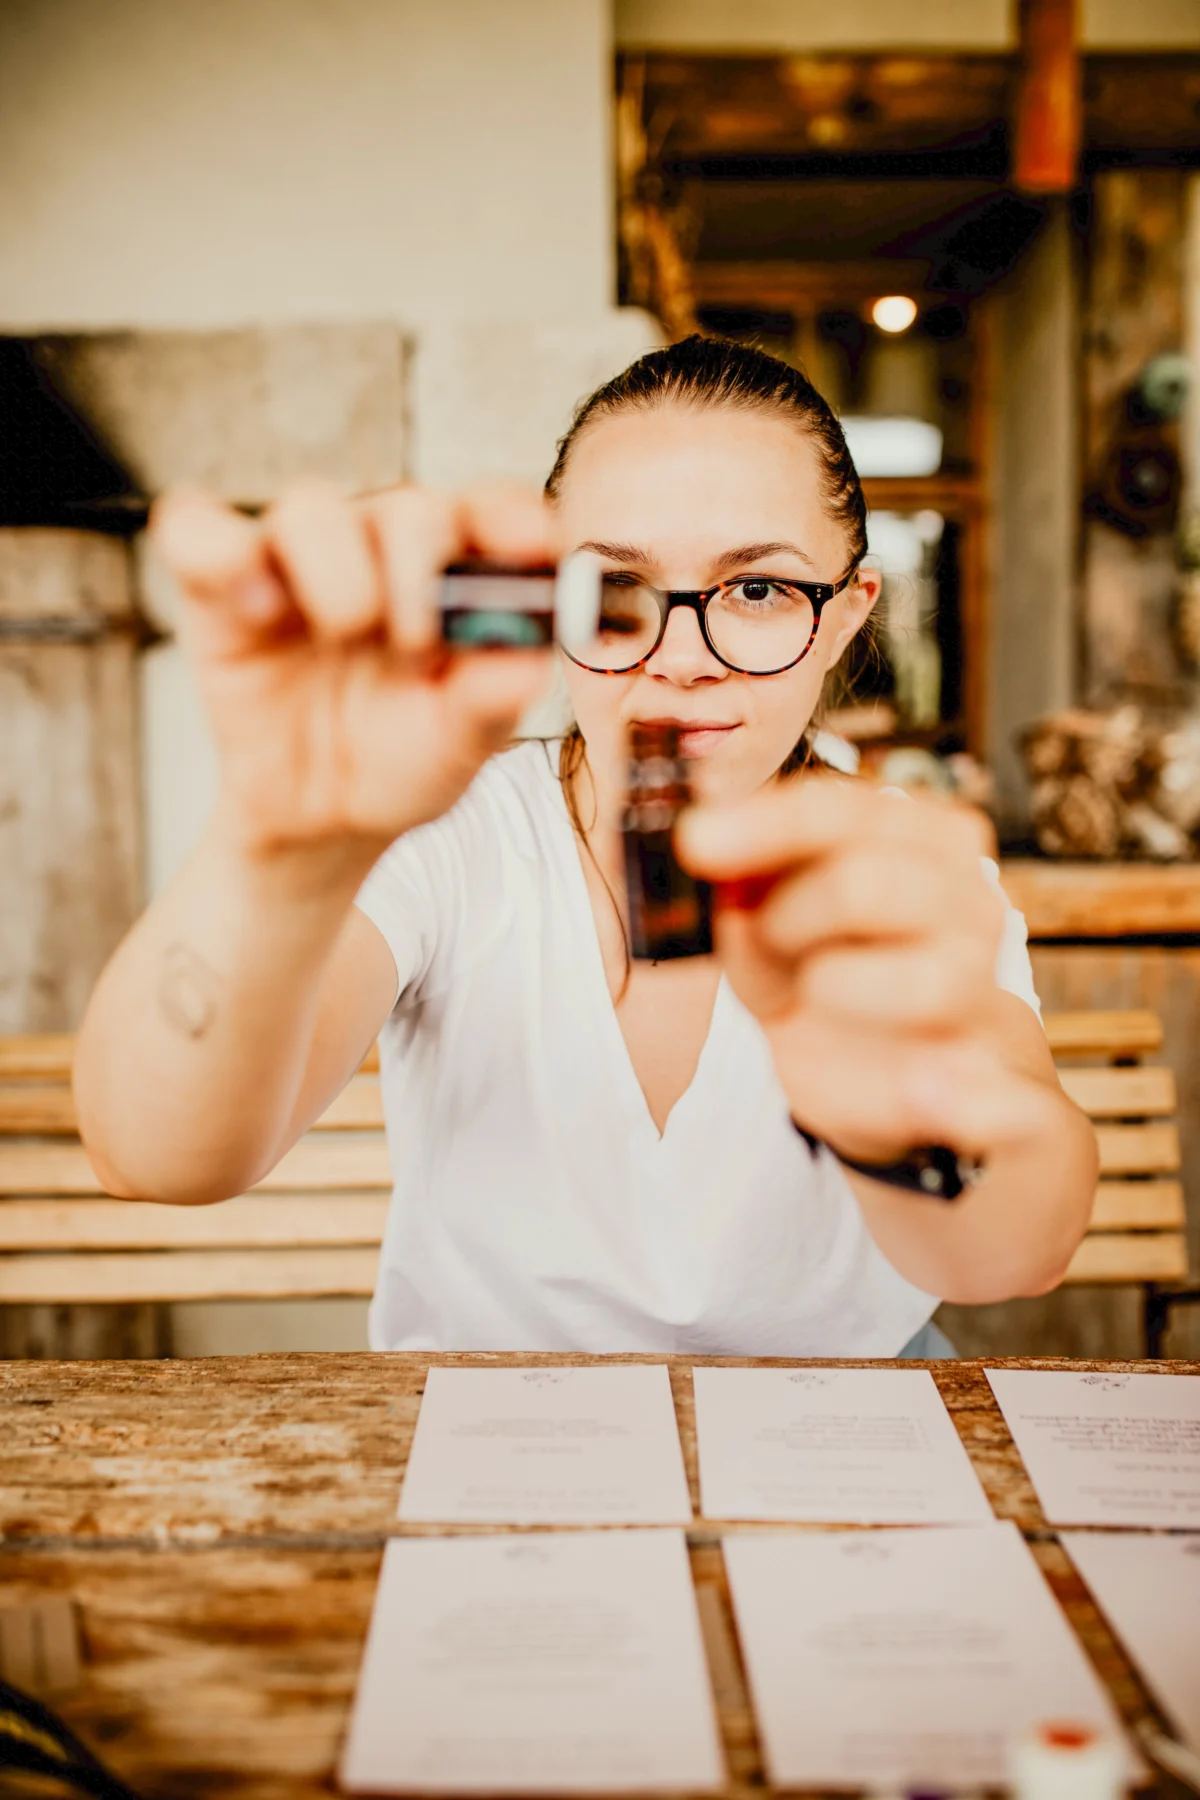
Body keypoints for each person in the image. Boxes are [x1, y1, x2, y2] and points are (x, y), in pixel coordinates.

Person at [74, 336, 1097, 1357]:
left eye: (758, 591)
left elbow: (1016, 1254)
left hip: (838, 1440)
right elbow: (155, 1157)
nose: (683, 660)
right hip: (488, 1441)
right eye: (617, 592)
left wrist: (904, 1117)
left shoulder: (900, 868)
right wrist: (276, 844)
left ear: (843, 617)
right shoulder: (450, 830)